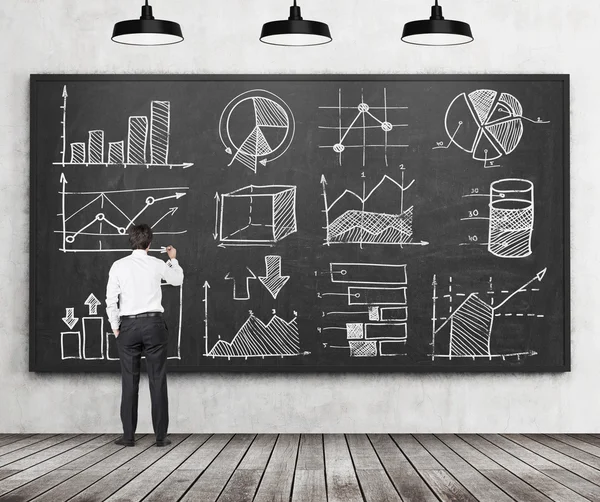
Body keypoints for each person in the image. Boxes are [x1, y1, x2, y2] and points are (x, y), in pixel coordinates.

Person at [105, 224, 184, 447]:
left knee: (129, 381)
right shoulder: (157, 263)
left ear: (131, 241)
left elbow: (111, 300)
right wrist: (173, 259)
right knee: (157, 380)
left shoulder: (118, 265)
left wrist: (115, 327)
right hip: (154, 325)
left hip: (128, 326)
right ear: (149, 243)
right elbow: (177, 280)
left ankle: (128, 436)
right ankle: (160, 437)